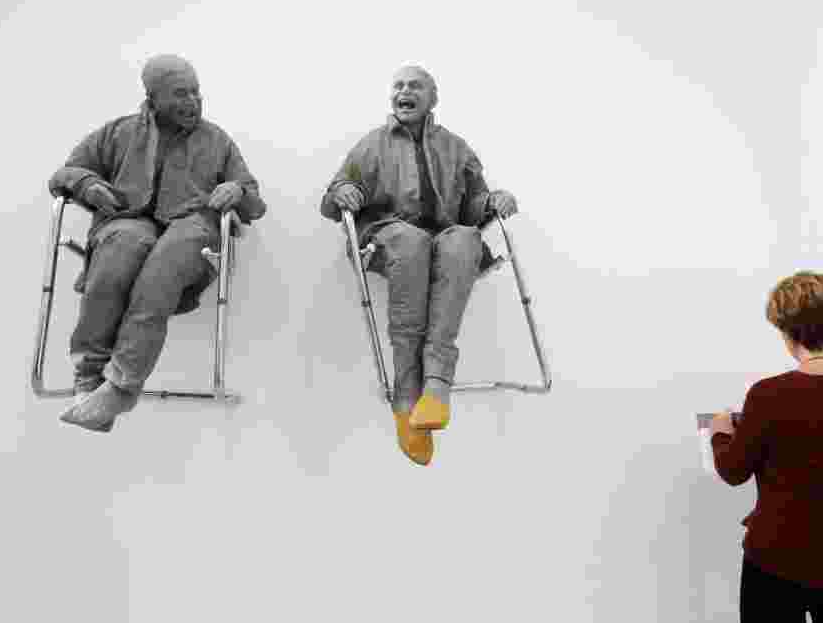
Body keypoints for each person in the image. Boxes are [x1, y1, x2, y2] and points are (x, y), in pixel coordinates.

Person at [49, 54, 267, 432]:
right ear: (152, 98)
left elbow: (253, 199)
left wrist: (235, 190)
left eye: (197, 92)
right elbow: (66, 172)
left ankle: (122, 383)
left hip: (194, 224)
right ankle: (89, 376)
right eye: (180, 94)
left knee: (163, 266)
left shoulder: (216, 140)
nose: (192, 102)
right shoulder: (118, 132)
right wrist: (86, 184)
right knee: (121, 249)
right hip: (128, 219)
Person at [319, 65, 518, 466]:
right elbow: (334, 195)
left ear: (433, 99)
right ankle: (406, 398)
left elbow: (474, 205)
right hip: (387, 233)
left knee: (465, 239)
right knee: (410, 244)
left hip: (442, 236)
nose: (404, 92)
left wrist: (496, 199)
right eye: (398, 85)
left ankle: (436, 387)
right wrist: (345, 191)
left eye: (415, 86)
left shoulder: (456, 147)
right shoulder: (372, 145)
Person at [710, 271, 823, 622]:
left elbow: (733, 471)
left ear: (788, 332)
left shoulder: (768, 394)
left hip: (778, 561)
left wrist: (721, 433)